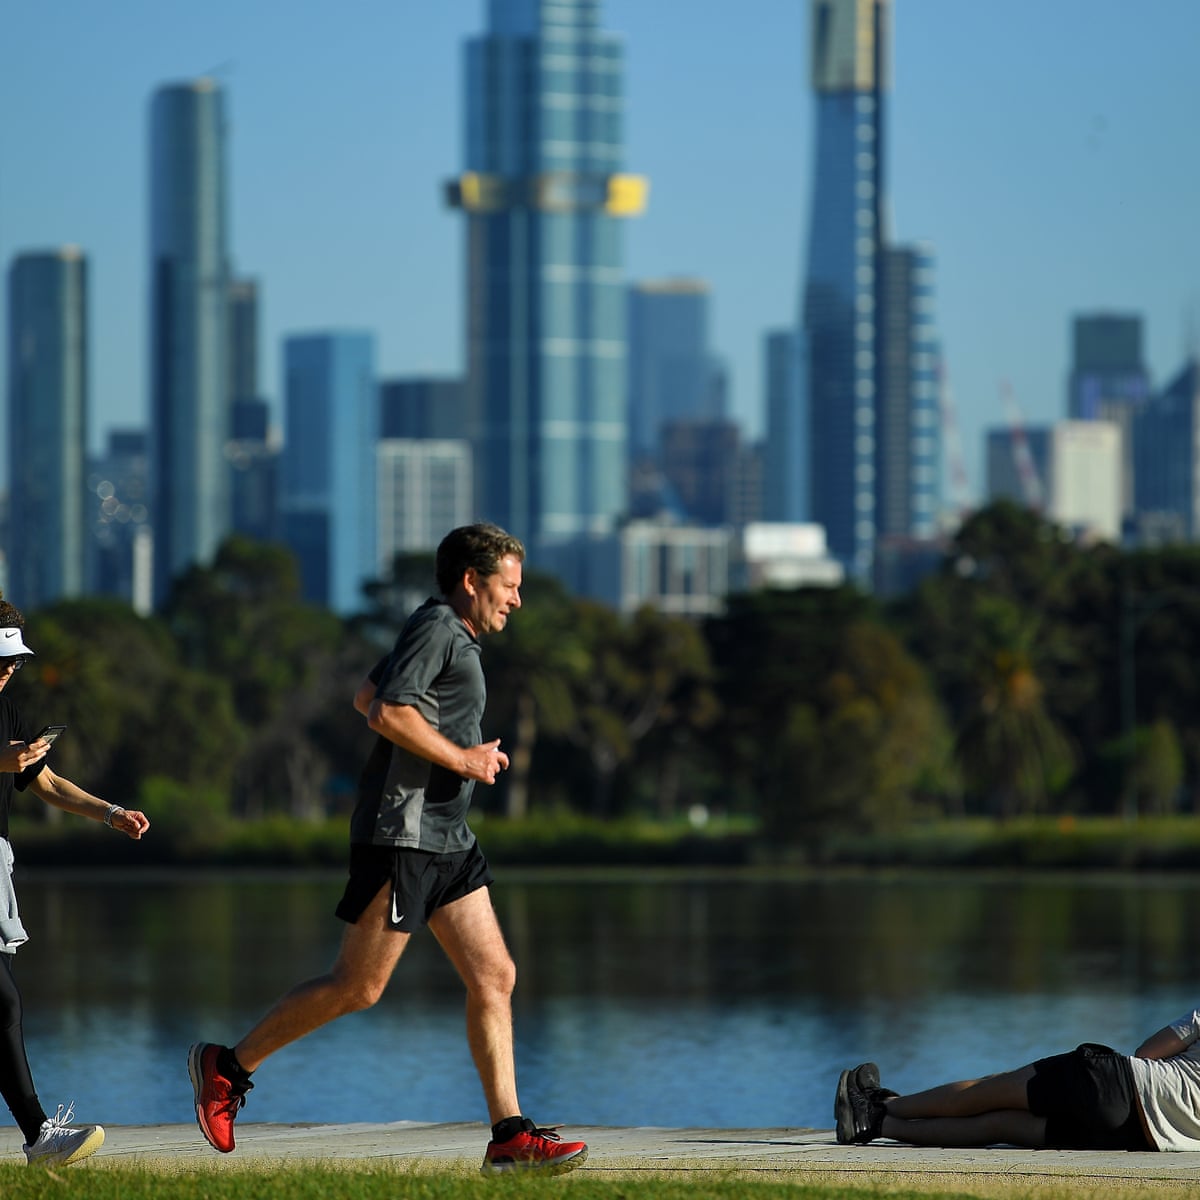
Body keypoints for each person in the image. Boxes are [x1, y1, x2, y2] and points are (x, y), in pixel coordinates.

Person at [188, 523, 587, 1175]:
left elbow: (366, 693)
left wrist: (457, 763)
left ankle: (510, 1137)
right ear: (471, 581)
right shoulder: (439, 628)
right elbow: (386, 714)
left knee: (495, 975)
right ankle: (227, 1068)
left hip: (447, 837)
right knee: (359, 986)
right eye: (508, 586)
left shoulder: (447, 632)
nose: (516, 599)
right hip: (403, 836)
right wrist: (464, 757)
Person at [0, 595, 151, 1166]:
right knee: (2, 1001)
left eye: (13, 660)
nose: (7, 668)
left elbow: (48, 783)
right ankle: (41, 1137)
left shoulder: (8, 712)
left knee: (0, 1004)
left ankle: (38, 1138)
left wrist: (111, 814)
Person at [834, 1006, 1200, 1152]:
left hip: (1122, 1083)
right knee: (998, 1127)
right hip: (1138, 1135)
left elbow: (1147, 1053)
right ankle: (877, 1126)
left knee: (990, 1090)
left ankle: (879, 1105)